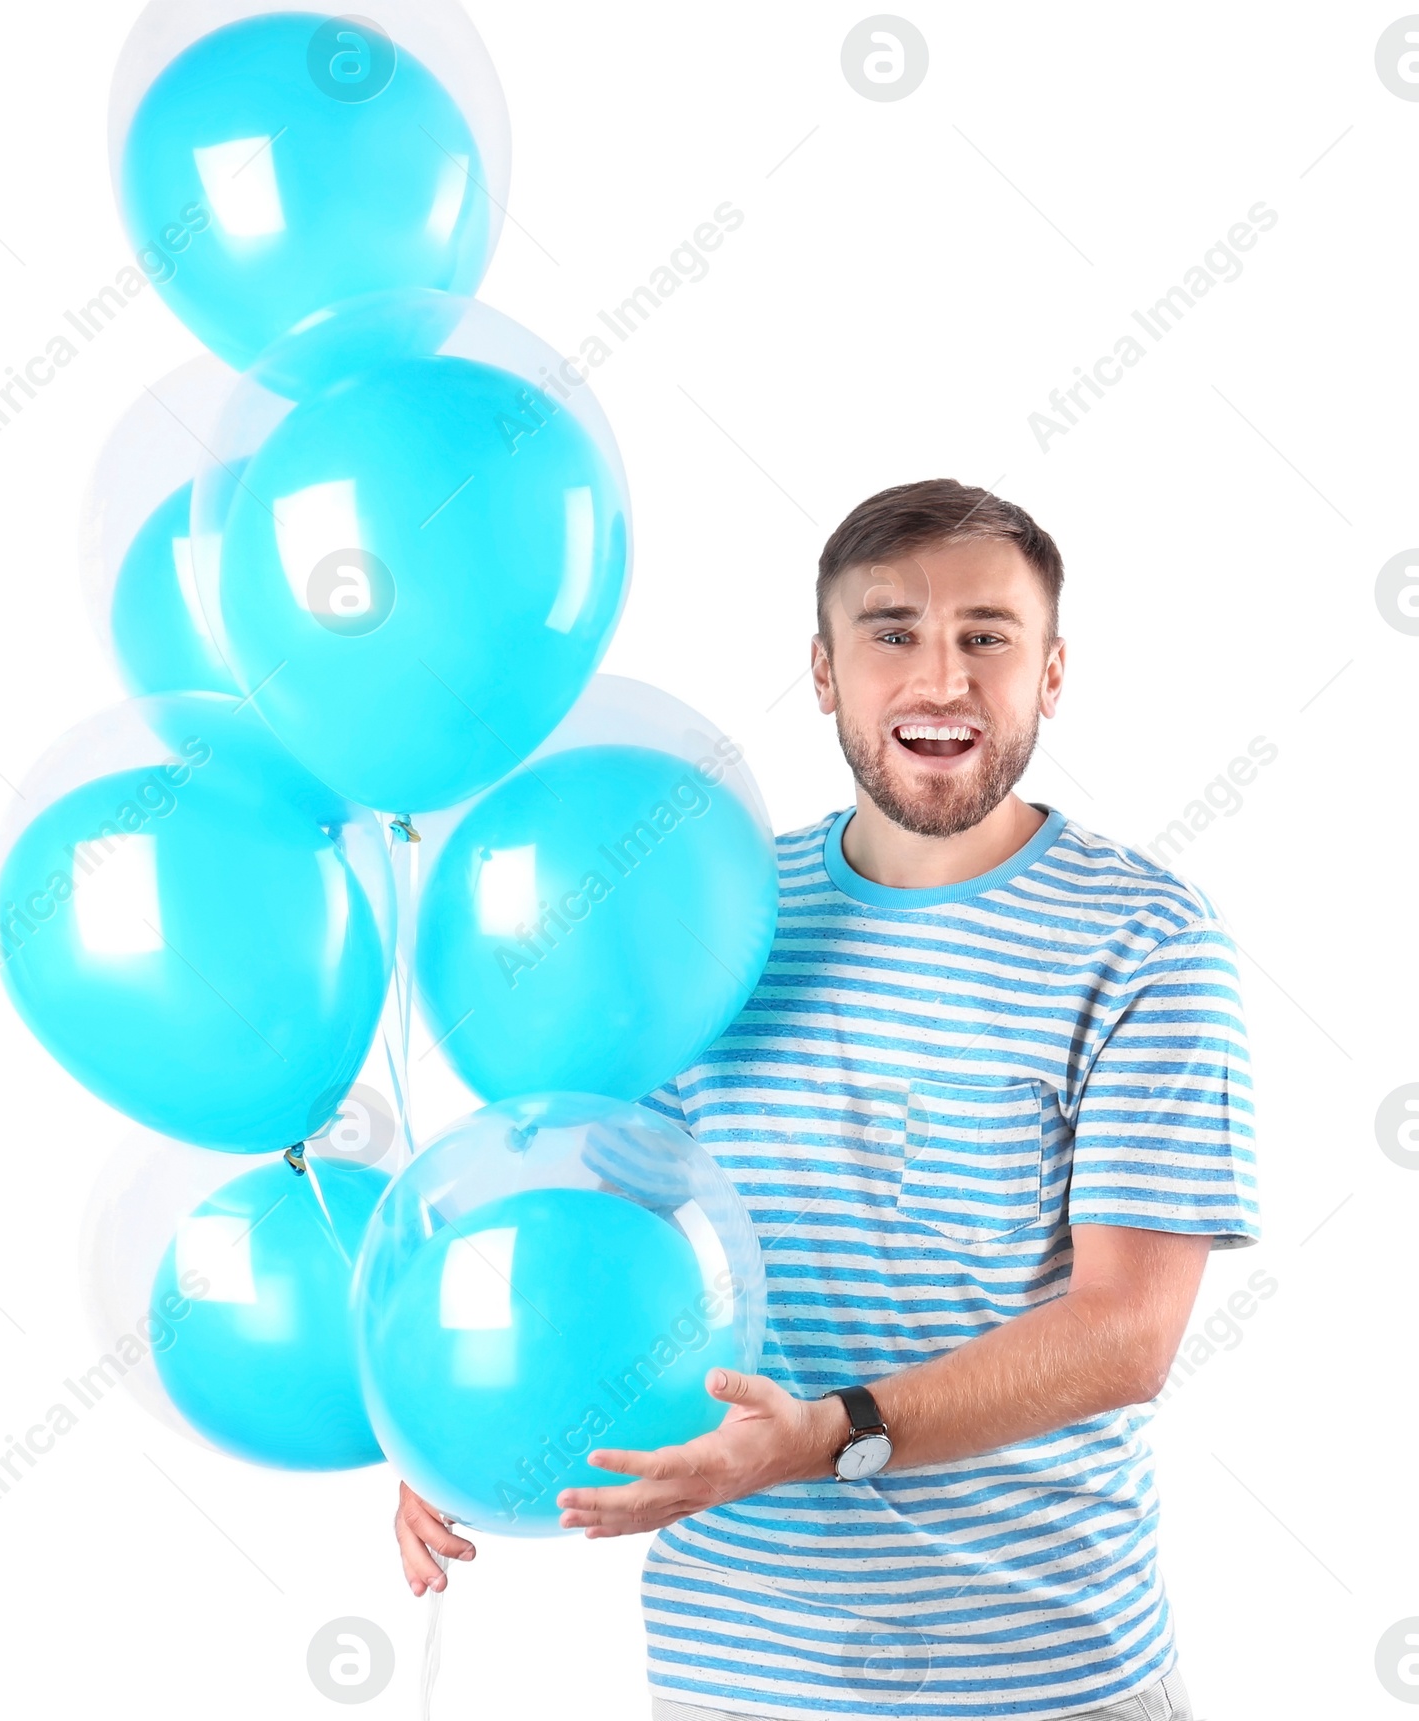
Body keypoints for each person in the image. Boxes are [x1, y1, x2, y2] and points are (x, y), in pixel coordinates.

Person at [394, 478, 1259, 1721]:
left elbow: (1126, 1334)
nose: (941, 679)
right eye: (892, 631)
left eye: (986, 635)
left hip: (1039, 1677)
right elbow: (592, 1218)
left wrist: (824, 1431)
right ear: (823, 670)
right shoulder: (706, 909)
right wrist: (457, 1417)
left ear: (1052, 672)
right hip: (736, 1675)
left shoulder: (1141, 940)